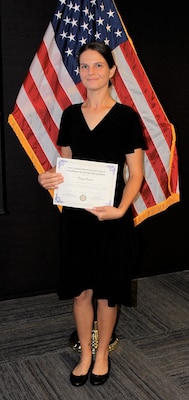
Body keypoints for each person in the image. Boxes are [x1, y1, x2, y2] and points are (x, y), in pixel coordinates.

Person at [38, 41, 146, 386]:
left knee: (106, 290)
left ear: (112, 71)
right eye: (84, 66)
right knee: (81, 290)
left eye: (98, 65)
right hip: (76, 219)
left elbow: (136, 174)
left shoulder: (127, 117)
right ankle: (85, 353)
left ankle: (102, 356)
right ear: (79, 73)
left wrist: (120, 210)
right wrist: (48, 178)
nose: (91, 72)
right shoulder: (69, 115)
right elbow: (64, 168)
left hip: (112, 218)